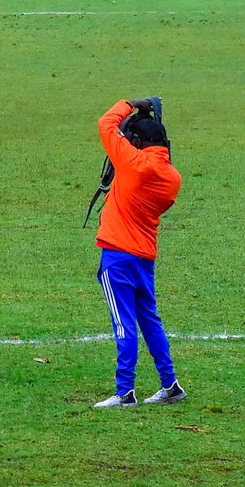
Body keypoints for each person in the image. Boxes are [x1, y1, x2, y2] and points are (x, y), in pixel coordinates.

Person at [91, 98, 184, 408]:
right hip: (144, 257)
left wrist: (129, 104)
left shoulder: (131, 162)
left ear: (138, 142)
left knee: (124, 324)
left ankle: (125, 392)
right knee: (149, 320)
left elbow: (106, 123)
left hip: (117, 255)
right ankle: (169, 384)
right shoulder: (172, 178)